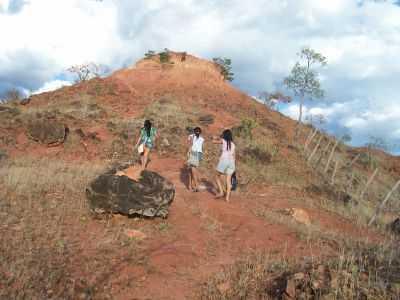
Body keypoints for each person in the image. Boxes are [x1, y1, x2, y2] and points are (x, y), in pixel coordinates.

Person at [213, 129, 236, 202]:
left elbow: (213, 141)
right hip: (232, 162)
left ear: (224, 135)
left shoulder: (223, 141)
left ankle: (221, 192)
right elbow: (234, 156)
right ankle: (227, 198)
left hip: (224, 161)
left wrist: (214, 137)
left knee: (216, 176)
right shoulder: (233, 144)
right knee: (228, 180)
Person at [187, 127, 205, 192]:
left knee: (192, 170)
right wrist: (189, 152)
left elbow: (201, 147)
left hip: (196, 154)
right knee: (192, 170)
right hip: (194, 153)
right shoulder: (192, 136)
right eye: (196, 131)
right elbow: (190, 144)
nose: (197, 132)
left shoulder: (201, 138)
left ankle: (191, 185)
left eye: (198, 131)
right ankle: (195, 186)